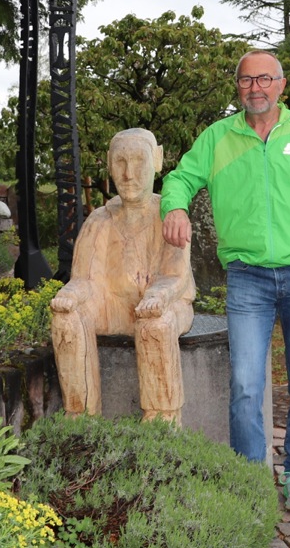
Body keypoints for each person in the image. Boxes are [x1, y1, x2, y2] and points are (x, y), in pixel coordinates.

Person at [160, 50, 290, 514]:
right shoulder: (219, 137)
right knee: (244, 384)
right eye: (246, 81)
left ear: (281, 84)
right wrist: (175, 206)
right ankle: (249, 483)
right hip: (248, 279)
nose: (255, 88)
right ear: (238, 88)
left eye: (265, 79)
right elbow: (181, 177)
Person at [51, 128, 195, 424]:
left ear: (157, 160)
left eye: (139, 161)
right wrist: (71, 294)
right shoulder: (99, 220)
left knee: (156, 323)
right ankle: (80, 414)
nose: (129, 173)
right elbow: (86, 279)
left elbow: (175, 276)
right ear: (108, 164)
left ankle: (162, 418)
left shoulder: (169, 215)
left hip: (168, 304)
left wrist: (157, 295)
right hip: (113, 307)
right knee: (67, 319)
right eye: (120, 162)